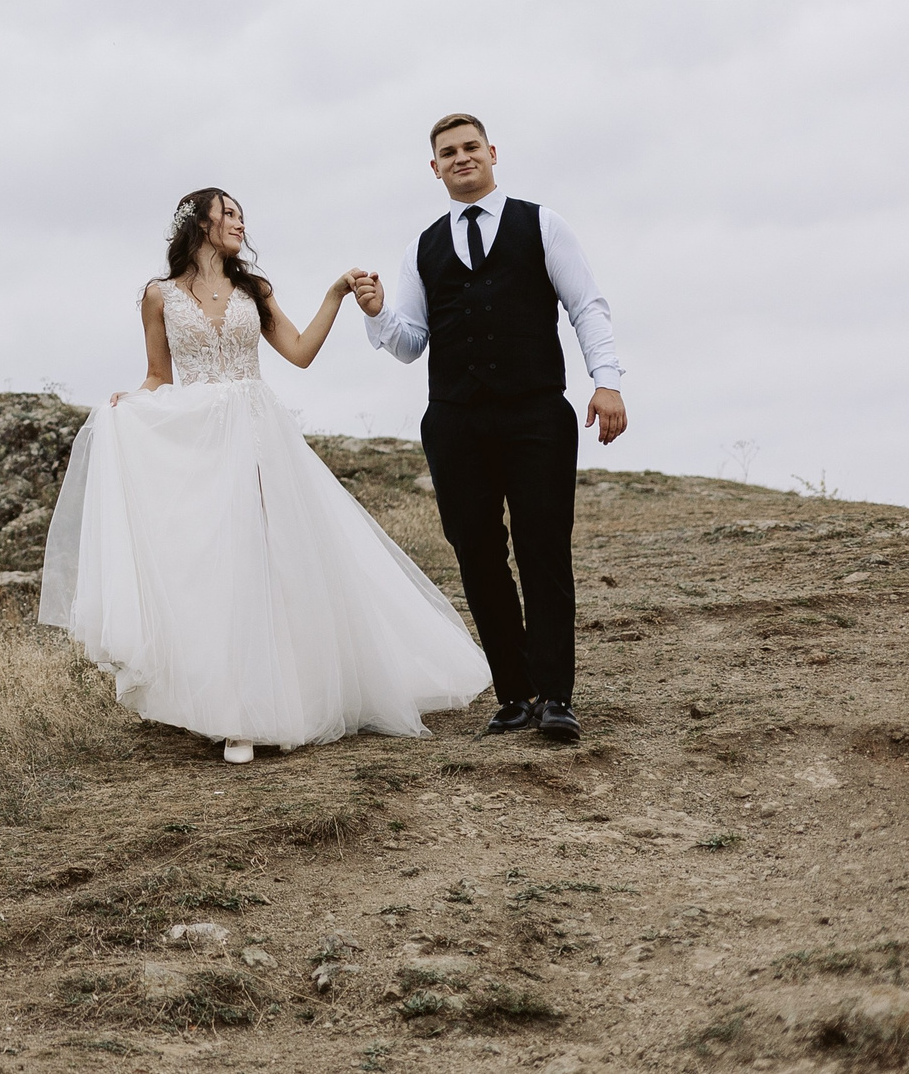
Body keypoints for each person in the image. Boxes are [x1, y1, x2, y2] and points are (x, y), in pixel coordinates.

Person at [39, 188, 492, 764]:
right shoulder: (159, 296)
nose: (238, 221)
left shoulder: (255, 289)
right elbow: (158, 374)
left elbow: (300, 352)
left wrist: (334, 295)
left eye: (240, 214)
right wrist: (130, 402)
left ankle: (271, 704)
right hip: (199, 437)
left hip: (257, 432)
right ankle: (231, 713)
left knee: (269, 560)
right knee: (218, 566)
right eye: (226, 212)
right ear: (199, 223)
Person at [349, 113, 627, 747]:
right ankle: (515, 696)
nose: (461, 158)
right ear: (435, 167)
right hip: (455, 420)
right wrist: (375, 314)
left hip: (536, 413)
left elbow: (587, 306)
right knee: (477, 554)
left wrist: (605, 382)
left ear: (492, 153)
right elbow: (410, 343)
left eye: (470, 147)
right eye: (448, 152)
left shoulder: (543, 225)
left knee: (542, 549)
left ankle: (556, 695)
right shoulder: (422, 246)